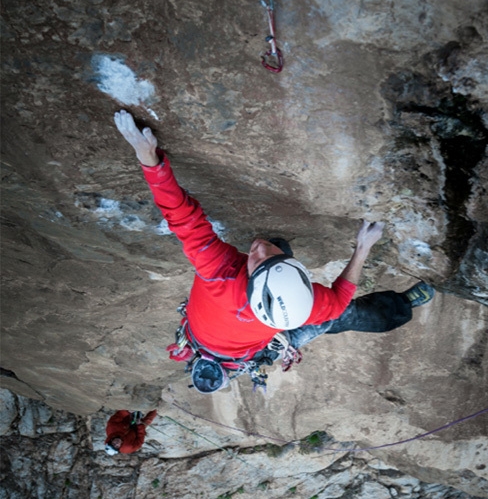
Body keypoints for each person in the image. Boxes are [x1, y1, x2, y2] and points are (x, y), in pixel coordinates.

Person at [113, 110, 433, 392]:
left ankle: (396, 304)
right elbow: (335, 306)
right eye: (264, 256)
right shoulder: (228, 279)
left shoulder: (217, 270)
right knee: (349, 317)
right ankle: (400, 306)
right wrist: (362, 248)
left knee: (332, 303)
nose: (258, 247)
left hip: (230, 340)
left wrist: (148, 158)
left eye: (266, 258)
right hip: (251, 346)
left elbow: (181, 216)